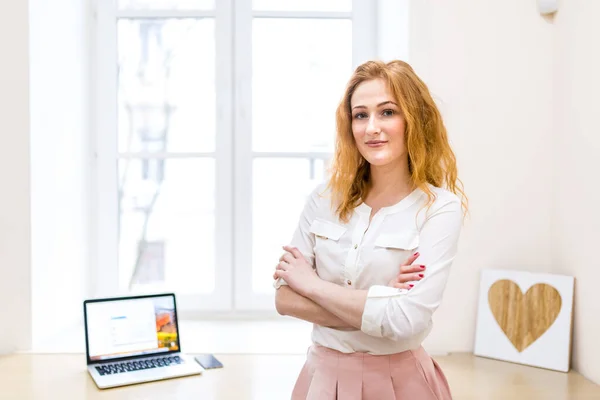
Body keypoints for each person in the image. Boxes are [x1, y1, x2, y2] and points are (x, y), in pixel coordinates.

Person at [272, 59, 468, 400]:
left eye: (387, 112)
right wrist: (379, 301)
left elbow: (407, 321)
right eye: (360, 115)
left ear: (414, 119)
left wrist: (312, 285)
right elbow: (285, 299)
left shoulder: (440, 209)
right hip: (321, 380)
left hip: (401, 382)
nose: (371, 127)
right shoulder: (322, 200)